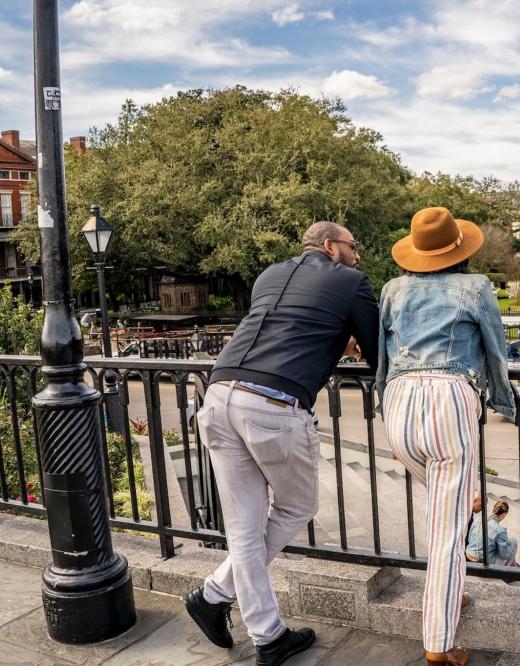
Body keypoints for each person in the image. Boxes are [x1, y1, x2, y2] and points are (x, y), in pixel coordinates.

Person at [186, 221, 378, 665]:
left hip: (217, 397)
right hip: (271, 406)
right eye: (353, 246)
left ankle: (265, 634)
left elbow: (288, 327)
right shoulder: (351, 281)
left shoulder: (269, 274)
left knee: (244, 528)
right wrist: (349, 346)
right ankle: (215, 593)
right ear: (332, 247)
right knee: (296, 507)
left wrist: (331, 341)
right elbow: (376, 350)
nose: (357, 256)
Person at [378, 207, 514, 666]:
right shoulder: (475, 288)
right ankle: (438, 643)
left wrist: (383, 396)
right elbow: (496, 349)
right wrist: (503, 401)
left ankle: (451, 586)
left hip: (398, 404)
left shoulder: (393, 289)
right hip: (448, 400)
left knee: (446, 505)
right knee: (447, 530)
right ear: (460, 250)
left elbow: (383, 355)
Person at [466, 499, 518, 566]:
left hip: (469, 554)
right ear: (504, 514)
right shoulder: (500, 530)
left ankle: (515, 566)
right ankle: (508, 571)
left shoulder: (478, 519)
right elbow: (505, 554)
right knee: (514, 542)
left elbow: (469, 539)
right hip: (482, 560)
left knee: (496, 545)